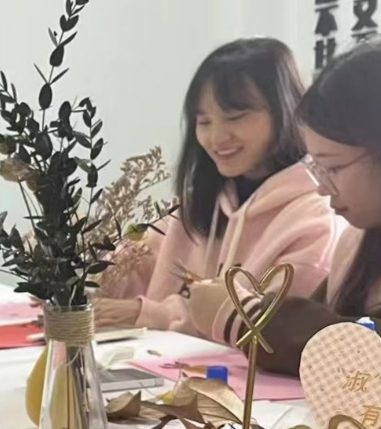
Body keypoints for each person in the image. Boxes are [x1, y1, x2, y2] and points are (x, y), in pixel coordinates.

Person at [187, 37, 381, 375]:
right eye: (316, 168)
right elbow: (326, 323)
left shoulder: (321, 221)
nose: (322, 187)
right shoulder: (361, 242)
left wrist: (246, 318)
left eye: (333, 168)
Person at [96, 39, 335, 333]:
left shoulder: (315, 217)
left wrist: (151, 314)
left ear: (286, 110)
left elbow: (270, 330)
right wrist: (74, 268)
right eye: (204, 121)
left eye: (235, 117)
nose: (216, 138)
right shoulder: (199, 204)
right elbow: (125, 268)